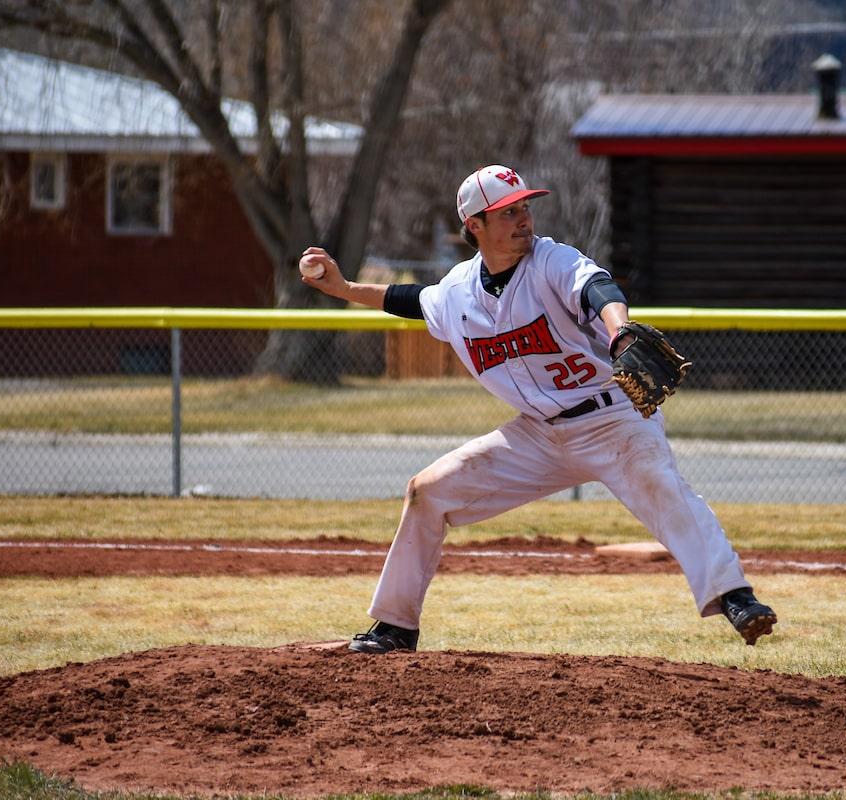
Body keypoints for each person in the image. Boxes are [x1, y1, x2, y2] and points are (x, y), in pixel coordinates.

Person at [299, 164, 776, 653]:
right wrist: (343, 289)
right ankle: (395, 627)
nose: (523, 218)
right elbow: (411, 299)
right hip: (537, 436)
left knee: (661, 485)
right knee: (428, 491)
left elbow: (598, 289)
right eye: (507, 212)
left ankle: (734, 596)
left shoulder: (551, 261)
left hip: (612, 419)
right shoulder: (457, 292)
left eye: (525, 207)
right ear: (475, 227)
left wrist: (619, 331)